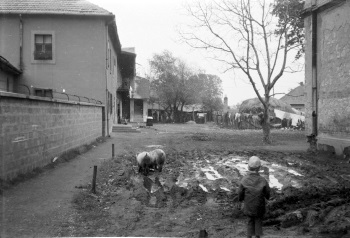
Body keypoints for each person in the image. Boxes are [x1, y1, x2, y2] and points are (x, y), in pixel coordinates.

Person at [238, 156, 270, 238]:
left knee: (250, 221)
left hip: (248, 205)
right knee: (258, 221)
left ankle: (249, 236)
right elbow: (267, 192)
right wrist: (267, 197)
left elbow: (240, 192)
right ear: (259, 168)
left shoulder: (244, 180)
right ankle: (257, 236)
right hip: (259, 205)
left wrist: (240, 200)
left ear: (248, 167)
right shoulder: (263, 180)